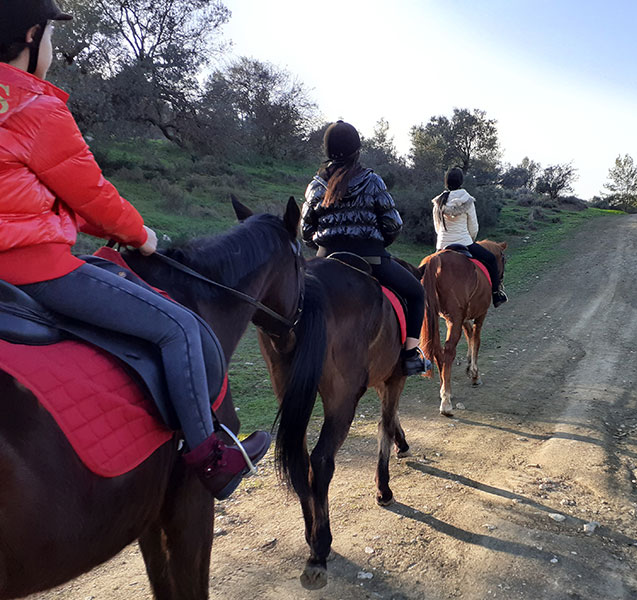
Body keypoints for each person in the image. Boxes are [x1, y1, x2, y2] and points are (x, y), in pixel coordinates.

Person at [0, 0, 269, 500]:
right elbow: (93, 194)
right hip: (34, 268)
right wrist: (140, 234)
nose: (54, 51)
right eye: (52, 41)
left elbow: (24, 192)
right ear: (32, 36)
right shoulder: (33, 107)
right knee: (182, 327)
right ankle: (213, 459)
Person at [301, 120, 430, 375]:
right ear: (357, 150)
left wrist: (324, 245)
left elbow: (306, 231)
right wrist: (378, 244)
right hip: (370, 257)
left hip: (325, 259)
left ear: (327, 151)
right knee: (416, 293)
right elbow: (393, 224)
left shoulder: (315, 186)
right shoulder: (372, 181)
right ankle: (410, 356)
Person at [432, 167, 508, 307]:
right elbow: (473, 227)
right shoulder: (467, 201)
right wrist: (470, 240)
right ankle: (496, 294)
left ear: (446, 182)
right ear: (461, 181)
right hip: (464, 242)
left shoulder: (439, 202)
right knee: (491, 259)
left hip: (442, 245)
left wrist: (444, 240)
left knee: (426, 270)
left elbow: (437, 227)